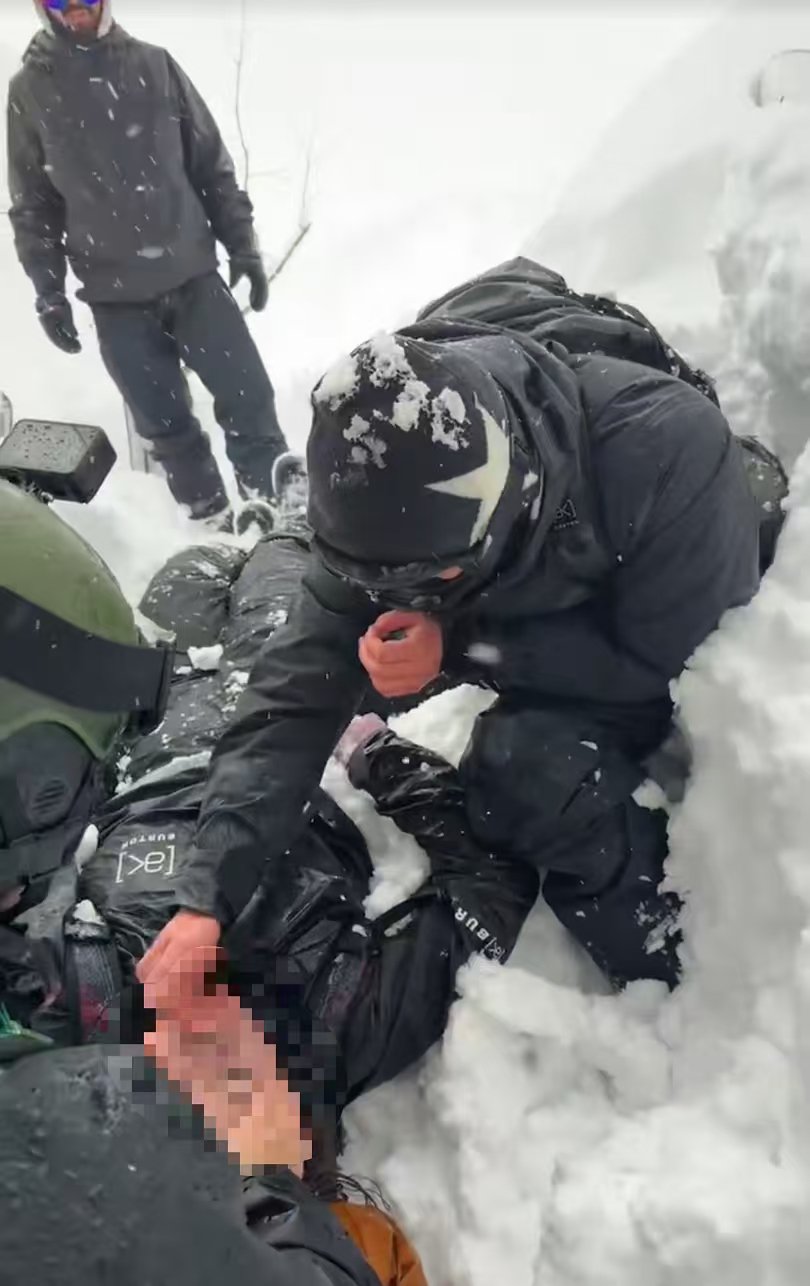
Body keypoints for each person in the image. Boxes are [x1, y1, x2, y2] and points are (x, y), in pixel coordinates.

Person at [141, 257, 788, 997]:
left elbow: (663, 667)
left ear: (498, 520)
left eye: (424, 581)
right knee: (334, 659)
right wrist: (207, 897)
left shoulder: (663, 452)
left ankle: (685, 973)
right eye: (376, 580)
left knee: (532, 775)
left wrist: (463, 649)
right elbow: (293, 693)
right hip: (517, 564)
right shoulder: (383, 478)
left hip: (668, 564)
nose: (394, 596)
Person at [0, 477, 408, 1286]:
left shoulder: (86, 1008)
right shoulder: (340, 1017)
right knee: (285, 572)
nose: (198, 1064)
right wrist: (385, 763)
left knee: (185, 581)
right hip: (277, 729)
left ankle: (255, 525)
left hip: (150, 741)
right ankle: (287, 517)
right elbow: (484, 884)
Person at [7, 0, 288, 528]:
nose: (76, 10)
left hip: (194, 278)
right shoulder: (30, 91)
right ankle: (216, 529)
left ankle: (279, 516)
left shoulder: (154, 65)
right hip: (115, 301)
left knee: (249, 400)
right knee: (169, 432)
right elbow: (33, 208)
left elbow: (210, 165)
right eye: (59, 1)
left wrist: (243, 246)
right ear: (43, 9)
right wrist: (49, 291)